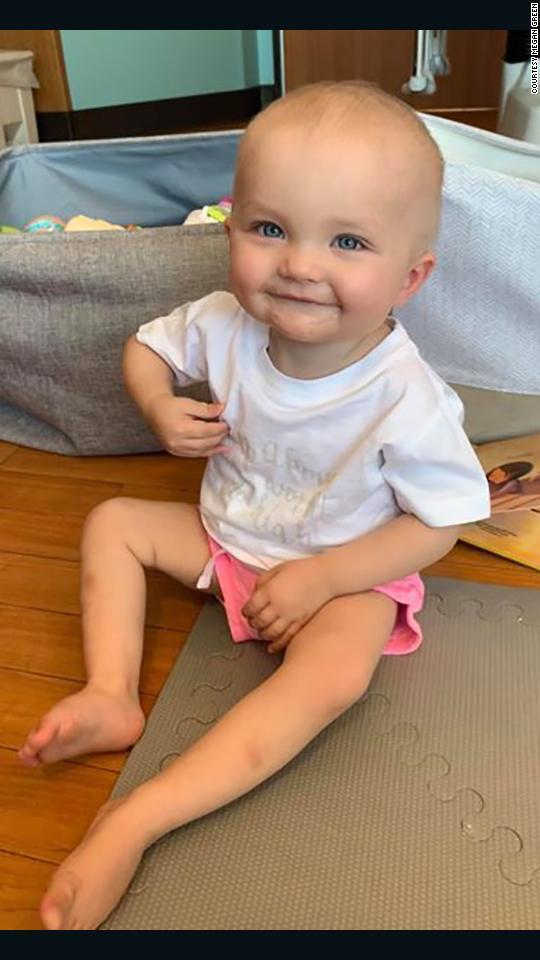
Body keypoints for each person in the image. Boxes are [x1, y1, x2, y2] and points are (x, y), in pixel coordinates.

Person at [19, 81, 491, 930]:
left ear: (411, 276)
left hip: (344, 574)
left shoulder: (407, 397)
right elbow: (145, 350)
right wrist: (159, 406)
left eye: (348, 241)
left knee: (336, 674)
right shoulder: (223, 323)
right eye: (271, 229)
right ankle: (110, 693)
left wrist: (325, 578)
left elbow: (440, 524)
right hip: (228, 537)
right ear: (230, 227)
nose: (300, 264)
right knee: (113, 522)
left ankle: (138, 819)